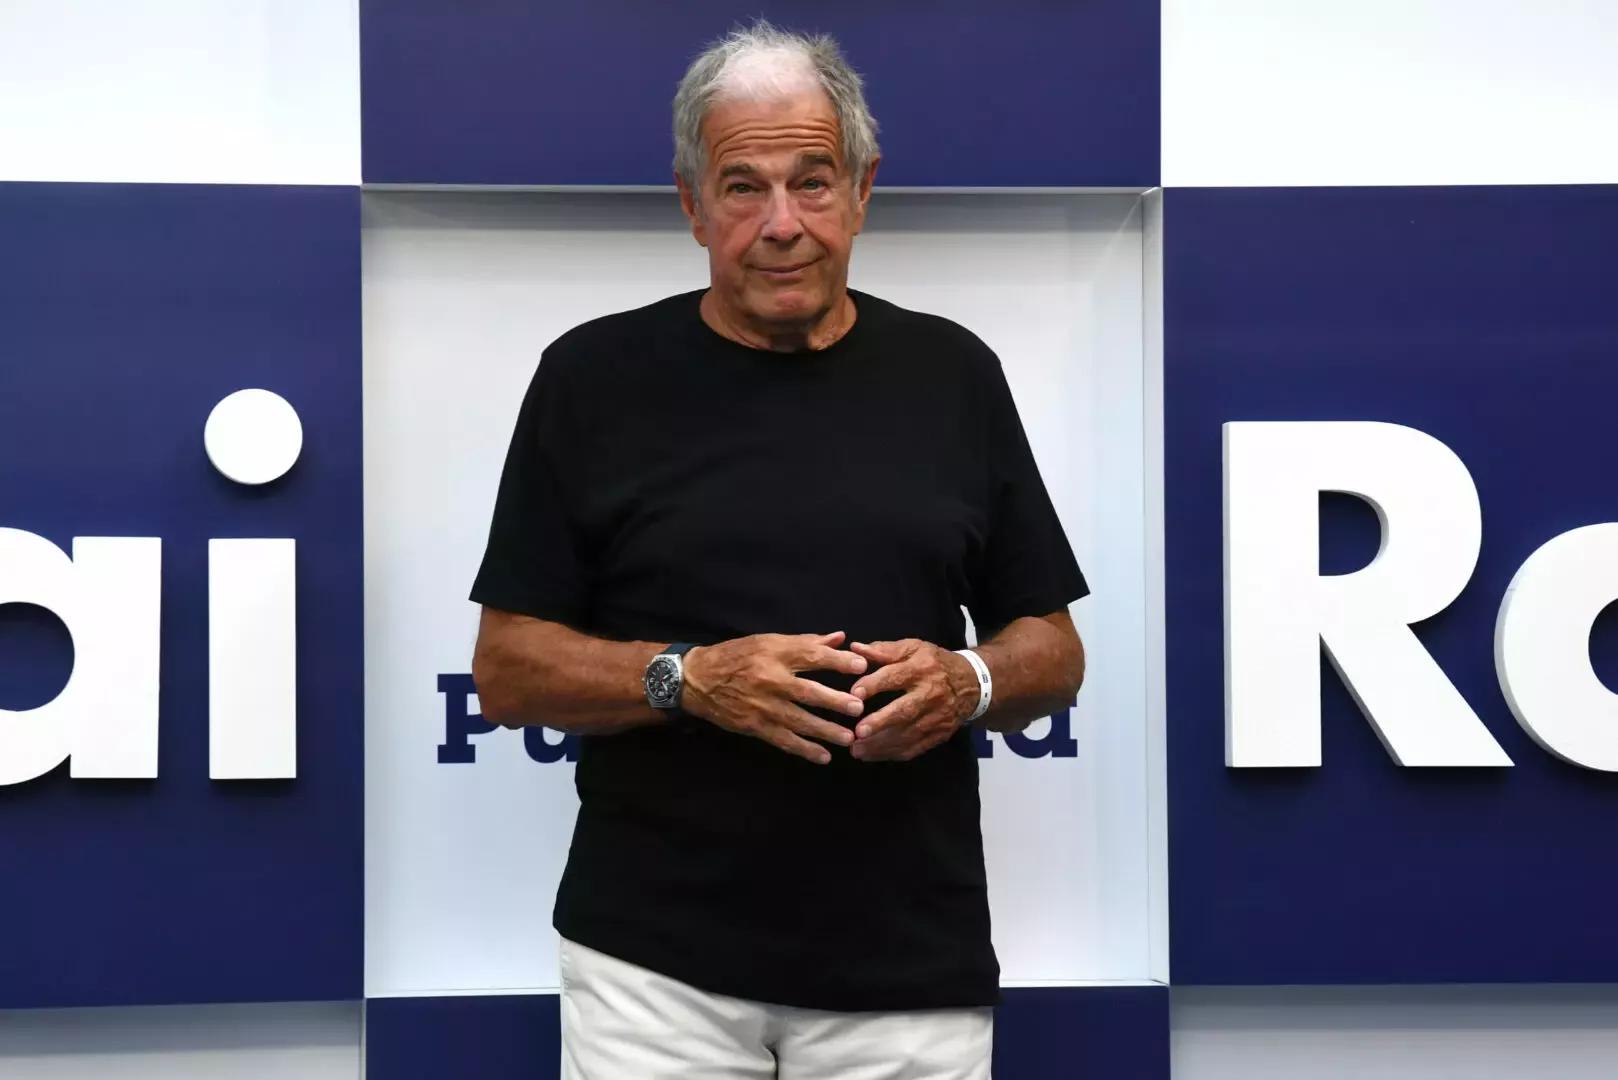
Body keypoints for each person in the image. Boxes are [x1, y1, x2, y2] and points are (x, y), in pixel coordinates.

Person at [470, 20, 1088, 1080]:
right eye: (743, 187)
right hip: (653, 973)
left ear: (862, 189)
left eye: (812, 182)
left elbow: (1054, 651)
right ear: (691, 206)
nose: (782, 224)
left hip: (908, 969)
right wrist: (689, 679)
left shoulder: (953, 375)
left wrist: (968, 682)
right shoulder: (591, 379)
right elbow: (507, 668)